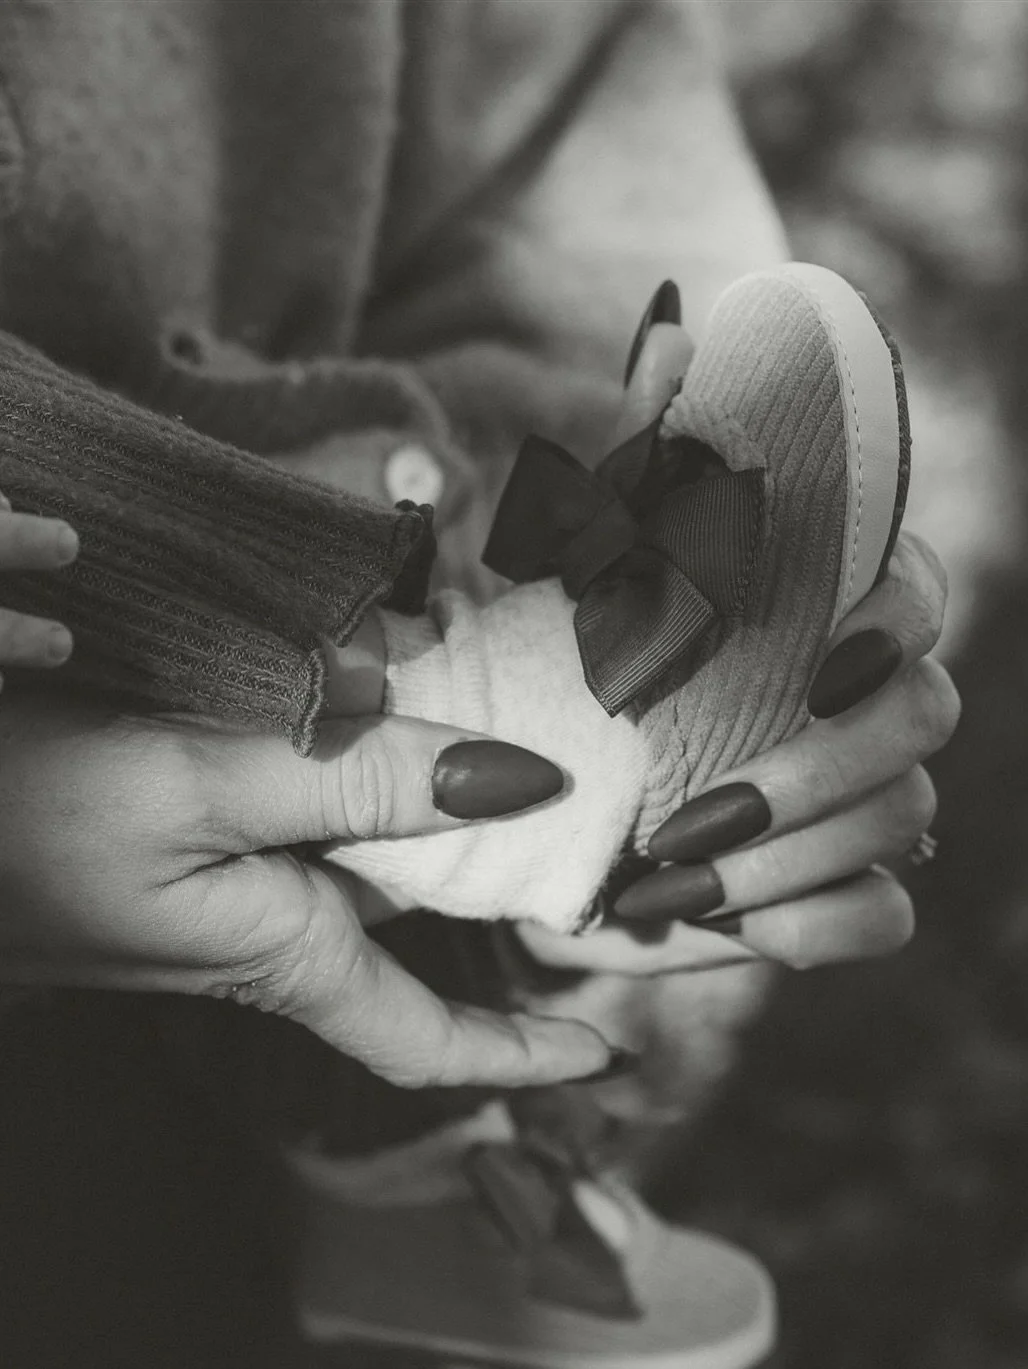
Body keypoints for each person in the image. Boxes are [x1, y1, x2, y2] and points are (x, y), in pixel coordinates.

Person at [0, 0, 958, 1362]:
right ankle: (476, 732)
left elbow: (574, 218)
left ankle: (454, 824)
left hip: (225, 966)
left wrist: (473, 513)